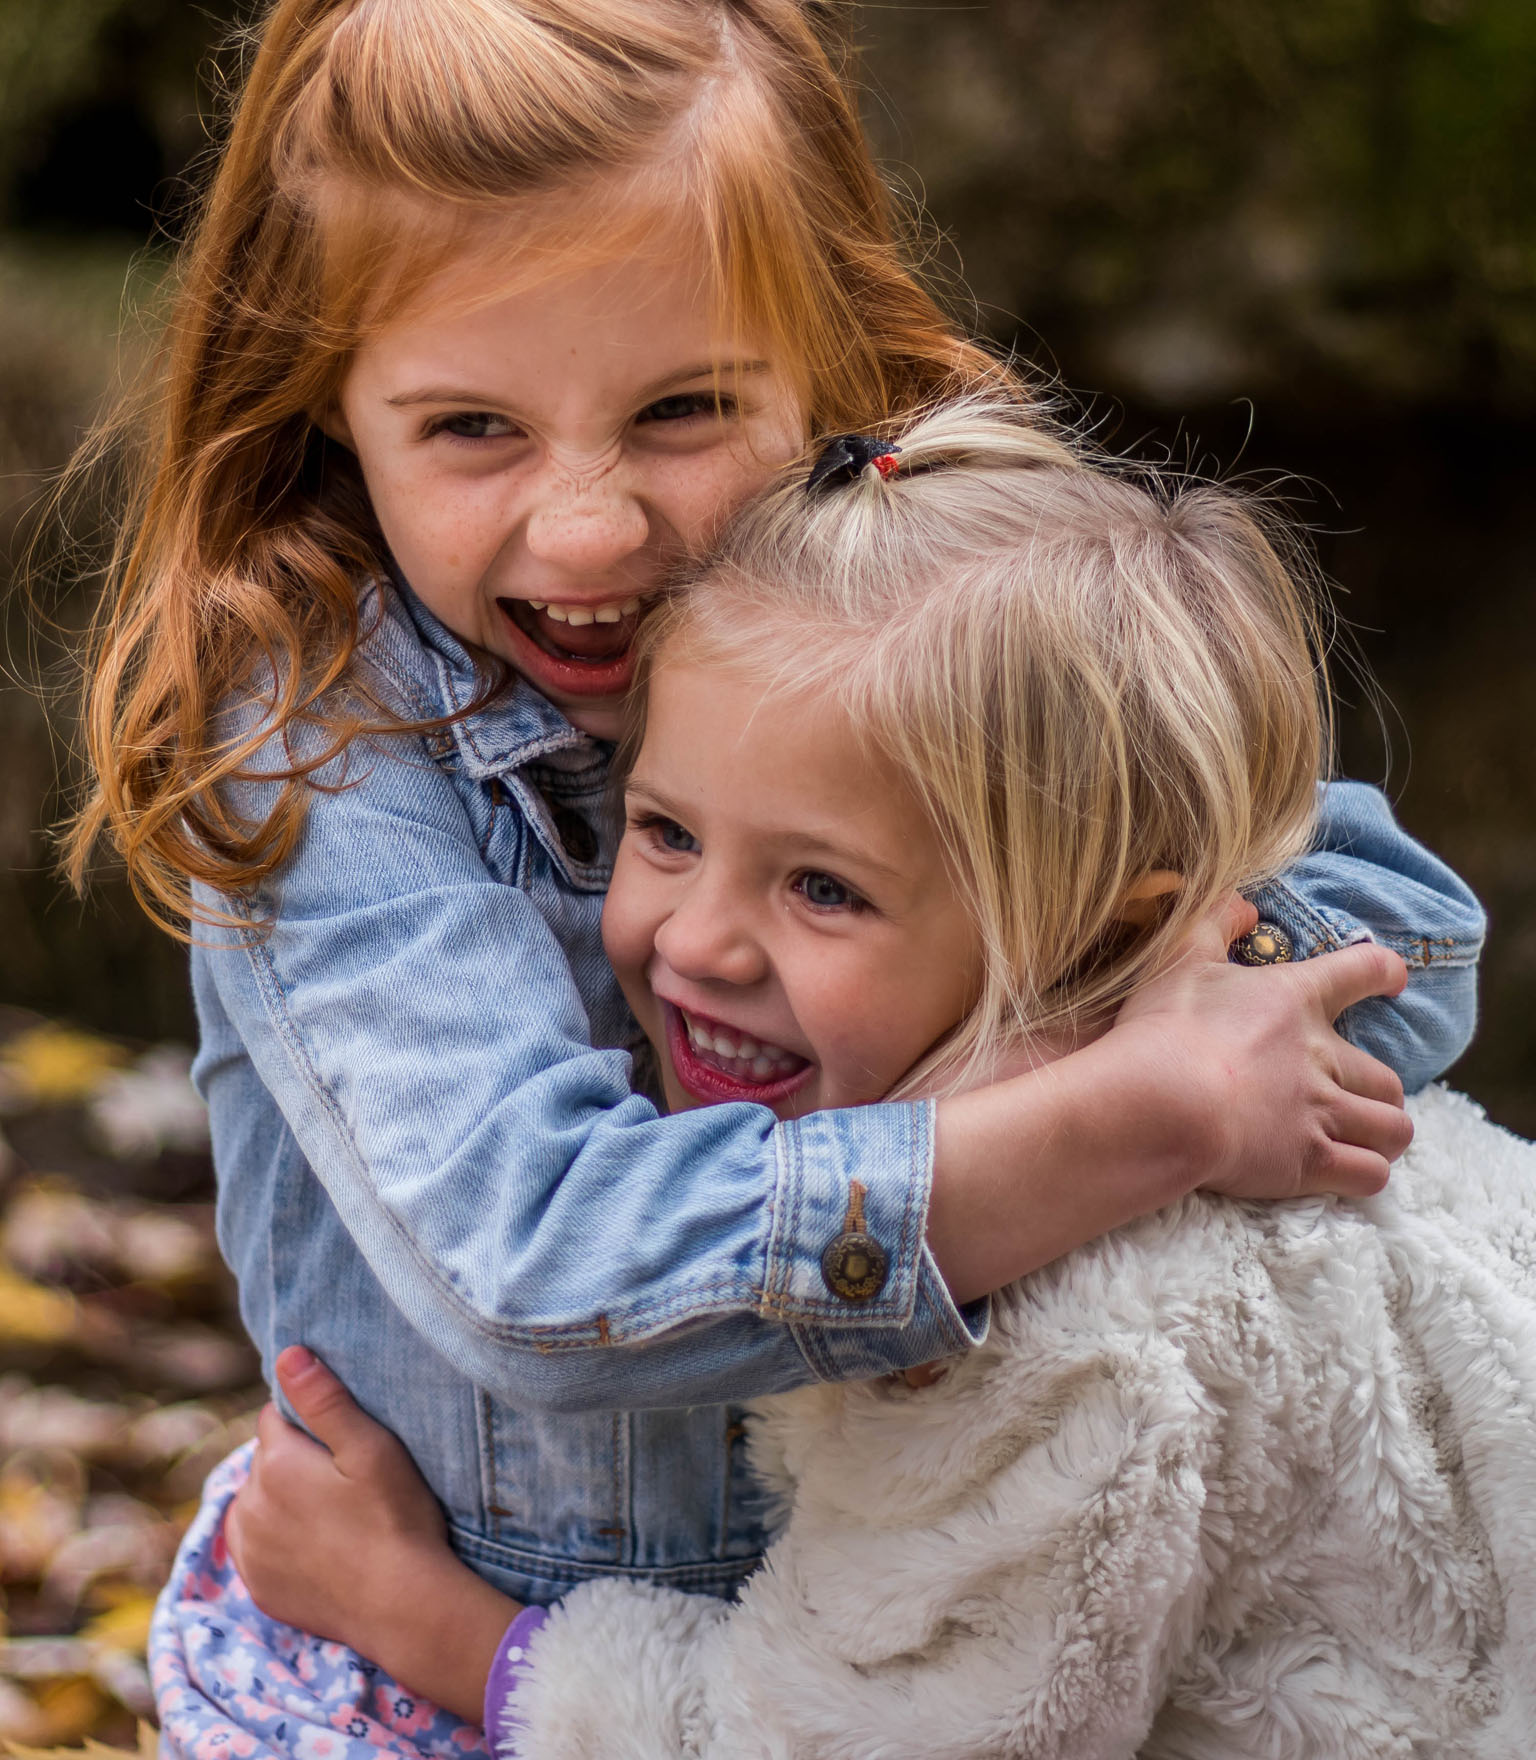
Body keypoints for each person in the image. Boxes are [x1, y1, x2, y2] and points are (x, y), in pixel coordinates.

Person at [67, 0, 1475, 1749]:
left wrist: (1120, 1007)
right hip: (441, 1639)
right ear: (325, 399)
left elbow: (1401, 935)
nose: (591, 528)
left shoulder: (922, 605)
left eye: (682, 415)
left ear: (830, 355)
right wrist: (1112, 1121)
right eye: (471, 428)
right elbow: (542, 1264)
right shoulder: (325, 740)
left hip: (896, 1630)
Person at [226, 405, 1535, 1758]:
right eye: (664, 830)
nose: (697, 940)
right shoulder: (1240, 1067)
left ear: (1114, 935)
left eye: (824, 889)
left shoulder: (1071, 1338)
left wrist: (425, 1621)